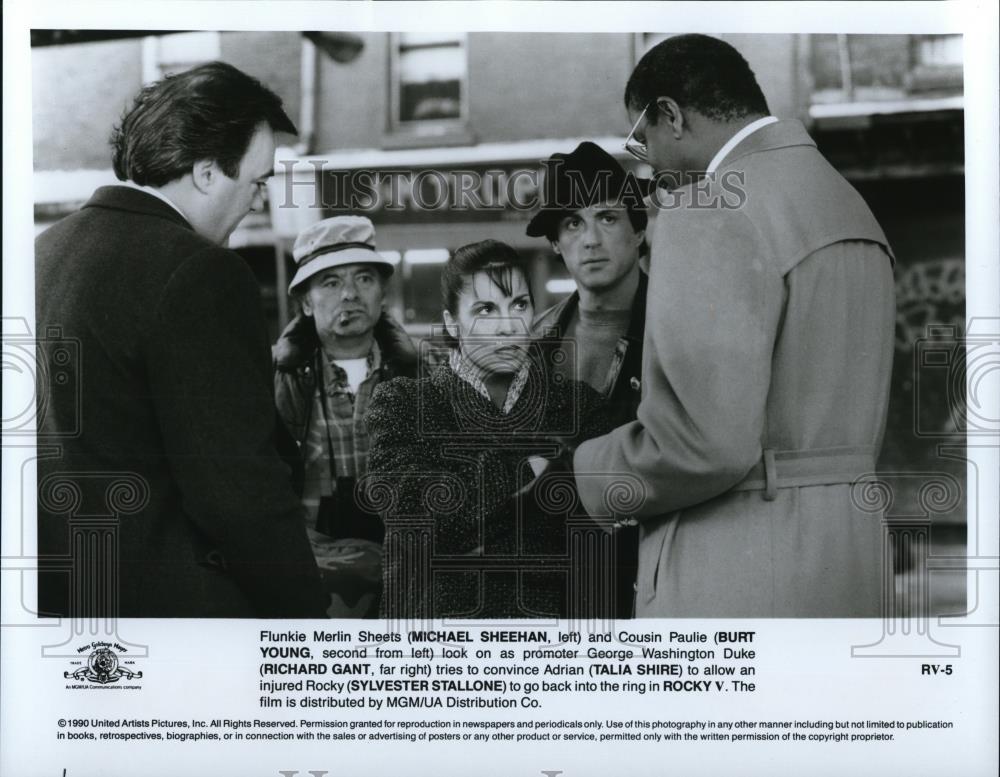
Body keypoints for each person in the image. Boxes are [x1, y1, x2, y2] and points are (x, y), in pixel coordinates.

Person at [572, 34, 896, 617]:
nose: (649, 160)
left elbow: (702, 444)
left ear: (670, 114)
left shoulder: (707, 209)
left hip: (737, 566)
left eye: (642, 138)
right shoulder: (851, 204)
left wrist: (583, 472)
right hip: (851, 556)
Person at [35, 61, 328, 618]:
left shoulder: (41, 254)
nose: (259, 201)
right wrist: (308, 625)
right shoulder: (202, 273)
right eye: (258, 182)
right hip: (180, 623)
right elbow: (239, 494)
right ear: (208, 173)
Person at [364, 240, 611, 620]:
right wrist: (535, 472)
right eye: (485, 309)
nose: (507, 325)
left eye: (519, 305)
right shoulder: (404, 403)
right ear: (451, 322)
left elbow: (593, 540)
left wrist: (469, 493)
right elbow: (417, 514)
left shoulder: (581, 407)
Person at [528, 141, 649, 618]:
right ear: (556, 243)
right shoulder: (536, 341)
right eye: (573, 223)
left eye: (608, 218)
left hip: (651, 581)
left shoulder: (673, 326)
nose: (591, 239)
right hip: (558, 588)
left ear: (639, 230)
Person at [274, 215, 418, 616]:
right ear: (305, 302)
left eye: (364, 279)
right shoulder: (269, 383)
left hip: (407, 581)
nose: (350, 294)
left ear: (382, 292)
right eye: (331, 283)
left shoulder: (426, 375)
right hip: (311, 586)